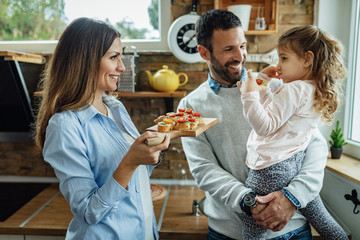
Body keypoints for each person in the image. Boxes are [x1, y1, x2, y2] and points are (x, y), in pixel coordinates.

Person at [178, 9, 329, 240]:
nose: (240, 56)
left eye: (242, 45)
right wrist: (249, 202)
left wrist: (292, 197)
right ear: (204, 53)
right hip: (229, 232)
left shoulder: (277, 86)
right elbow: (203, 169)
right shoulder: (191, 105)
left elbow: (314, 145)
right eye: (228, 49)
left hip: (294, 226)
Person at [34, 17, 170, 240]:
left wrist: (154, 146)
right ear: (85, 61)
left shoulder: (115, 107)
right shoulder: (65, 125)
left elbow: (136, 178)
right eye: (114, 57)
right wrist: (131, 161)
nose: (122, 67)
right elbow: (89, 211)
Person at [238, 25, 347, 240]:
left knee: (252, 223)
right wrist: (262, 80)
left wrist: (248, 94)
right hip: (295, 165)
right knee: (323, 221)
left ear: (307, 59)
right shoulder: (314, 89)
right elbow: (273, 110)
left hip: (270, 170)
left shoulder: (294, 89)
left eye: (284, 58)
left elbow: (264, 125)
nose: (278, 65)